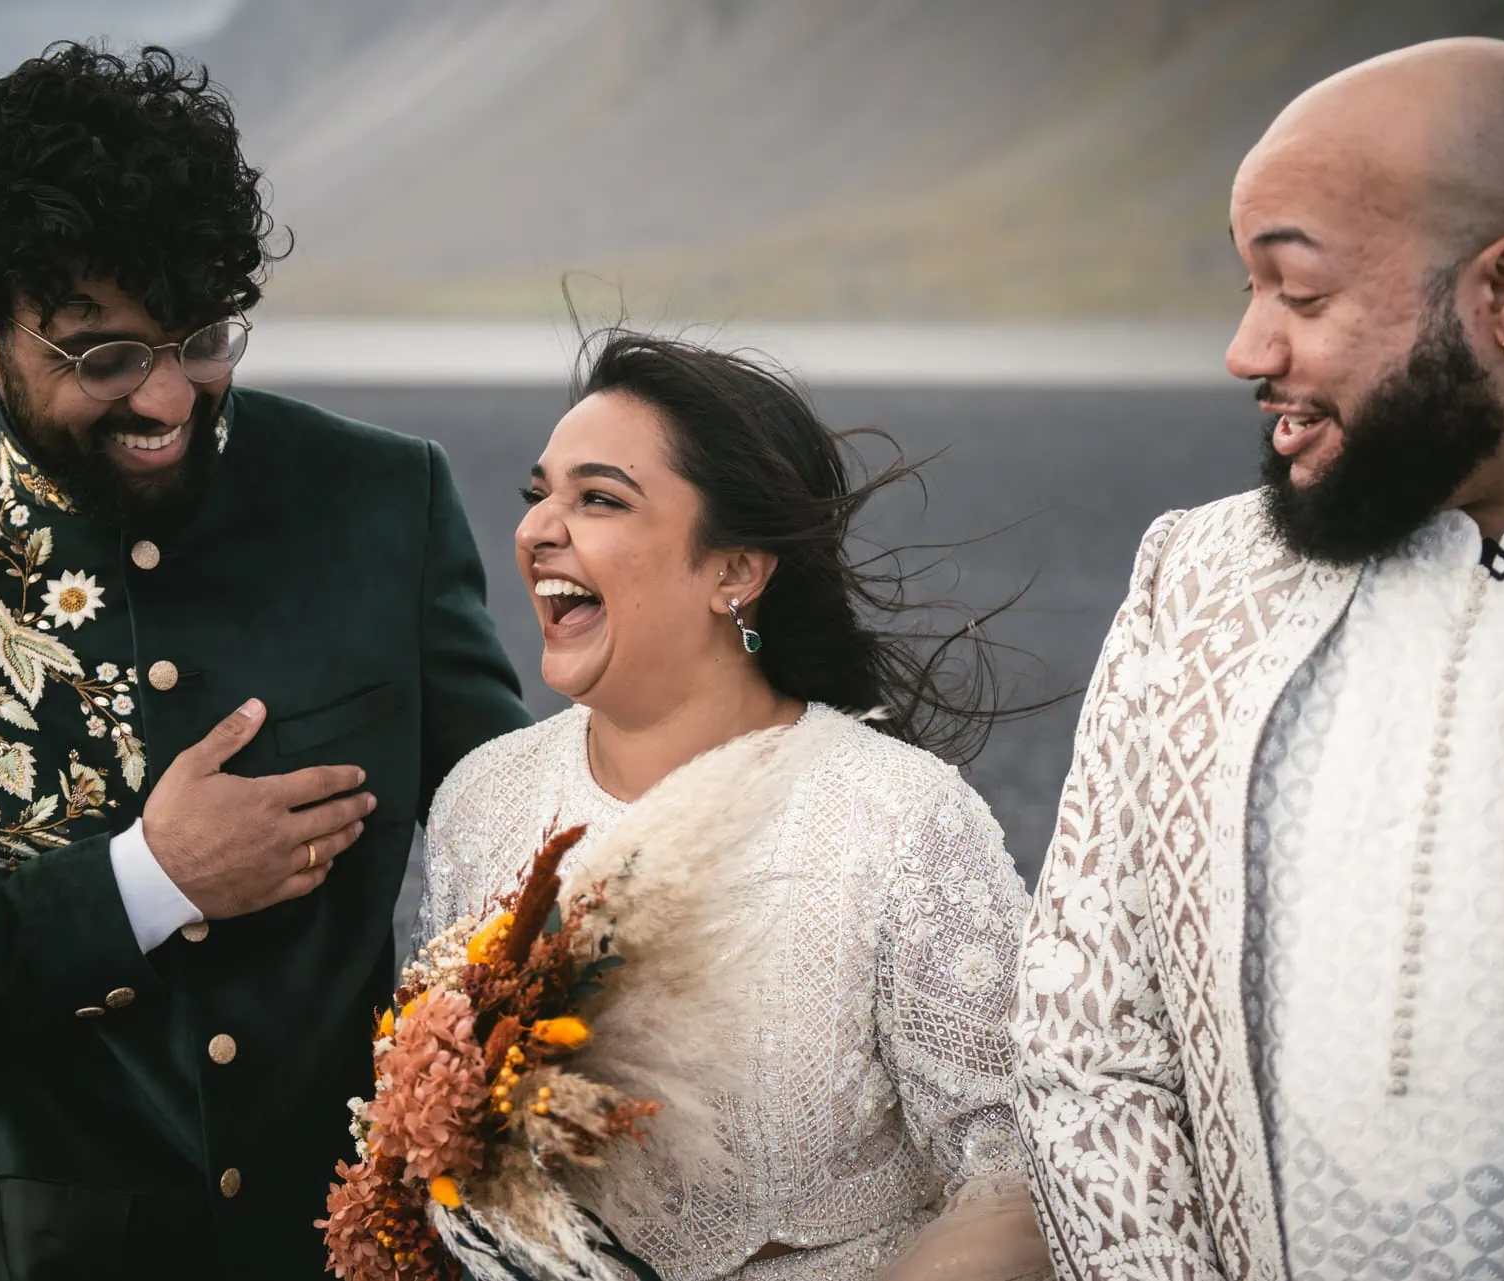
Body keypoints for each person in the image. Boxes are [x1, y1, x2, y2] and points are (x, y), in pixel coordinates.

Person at [0, 43, 529, 1279]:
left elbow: (516, 839)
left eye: (205, 338)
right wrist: (143, 882)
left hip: (336, 1246)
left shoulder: (386, 499)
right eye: (103, 355)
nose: (170, 399)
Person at [1010, 37, 1504, 1281]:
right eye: (1249, 291)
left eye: (1301, 296)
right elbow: (1084, 1039)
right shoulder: (1195, 578)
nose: (1247, 350)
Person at [416, 331, 1054, 1280]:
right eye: (539, 493)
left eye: (598, 498)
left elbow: (1025, 1182)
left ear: (735, 571)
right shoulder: (485, 798)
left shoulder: (895, 816)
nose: (541, 527)